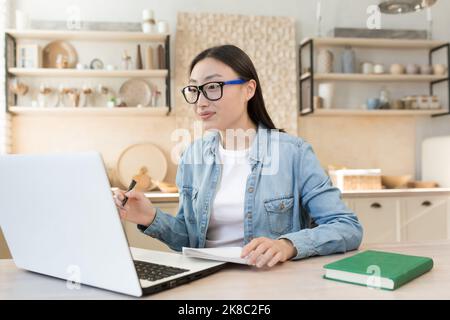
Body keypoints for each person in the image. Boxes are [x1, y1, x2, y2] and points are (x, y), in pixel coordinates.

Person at [114, 44, 363, 268]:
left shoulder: (293, 153)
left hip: (270, 283)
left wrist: (288, 245)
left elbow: (347, 227)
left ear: (248, 90)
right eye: (194, 89)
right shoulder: (192, 156)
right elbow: (189, 240)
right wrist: (149, 216)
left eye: (212, 87)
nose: (200, 101)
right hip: (205, 281)